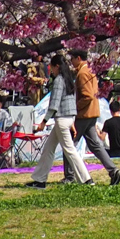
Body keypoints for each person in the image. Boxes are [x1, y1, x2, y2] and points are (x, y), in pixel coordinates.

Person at [27, 53, 92, 188]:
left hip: (62, 120)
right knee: (48, 149)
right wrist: (71, 122)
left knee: (69, 150)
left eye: (52, 67)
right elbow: (71, 103)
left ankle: (87, 180)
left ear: (57, 66)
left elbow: (54, 104)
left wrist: (43, 122)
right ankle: (40, 180)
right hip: (67, 118)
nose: (51, 70)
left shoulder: (58, 81)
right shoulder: (69, 80)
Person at [69, 49, 120, 186]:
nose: (71, 62)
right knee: (95, 145)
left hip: (83, 114)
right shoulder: (90, 70)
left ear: (78, 58)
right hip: (93, 113)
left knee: (69, 143)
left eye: (72, 59)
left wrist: (75, 107)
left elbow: (87, 96)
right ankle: (113, 170)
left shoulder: (82, 73)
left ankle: (69, 176)